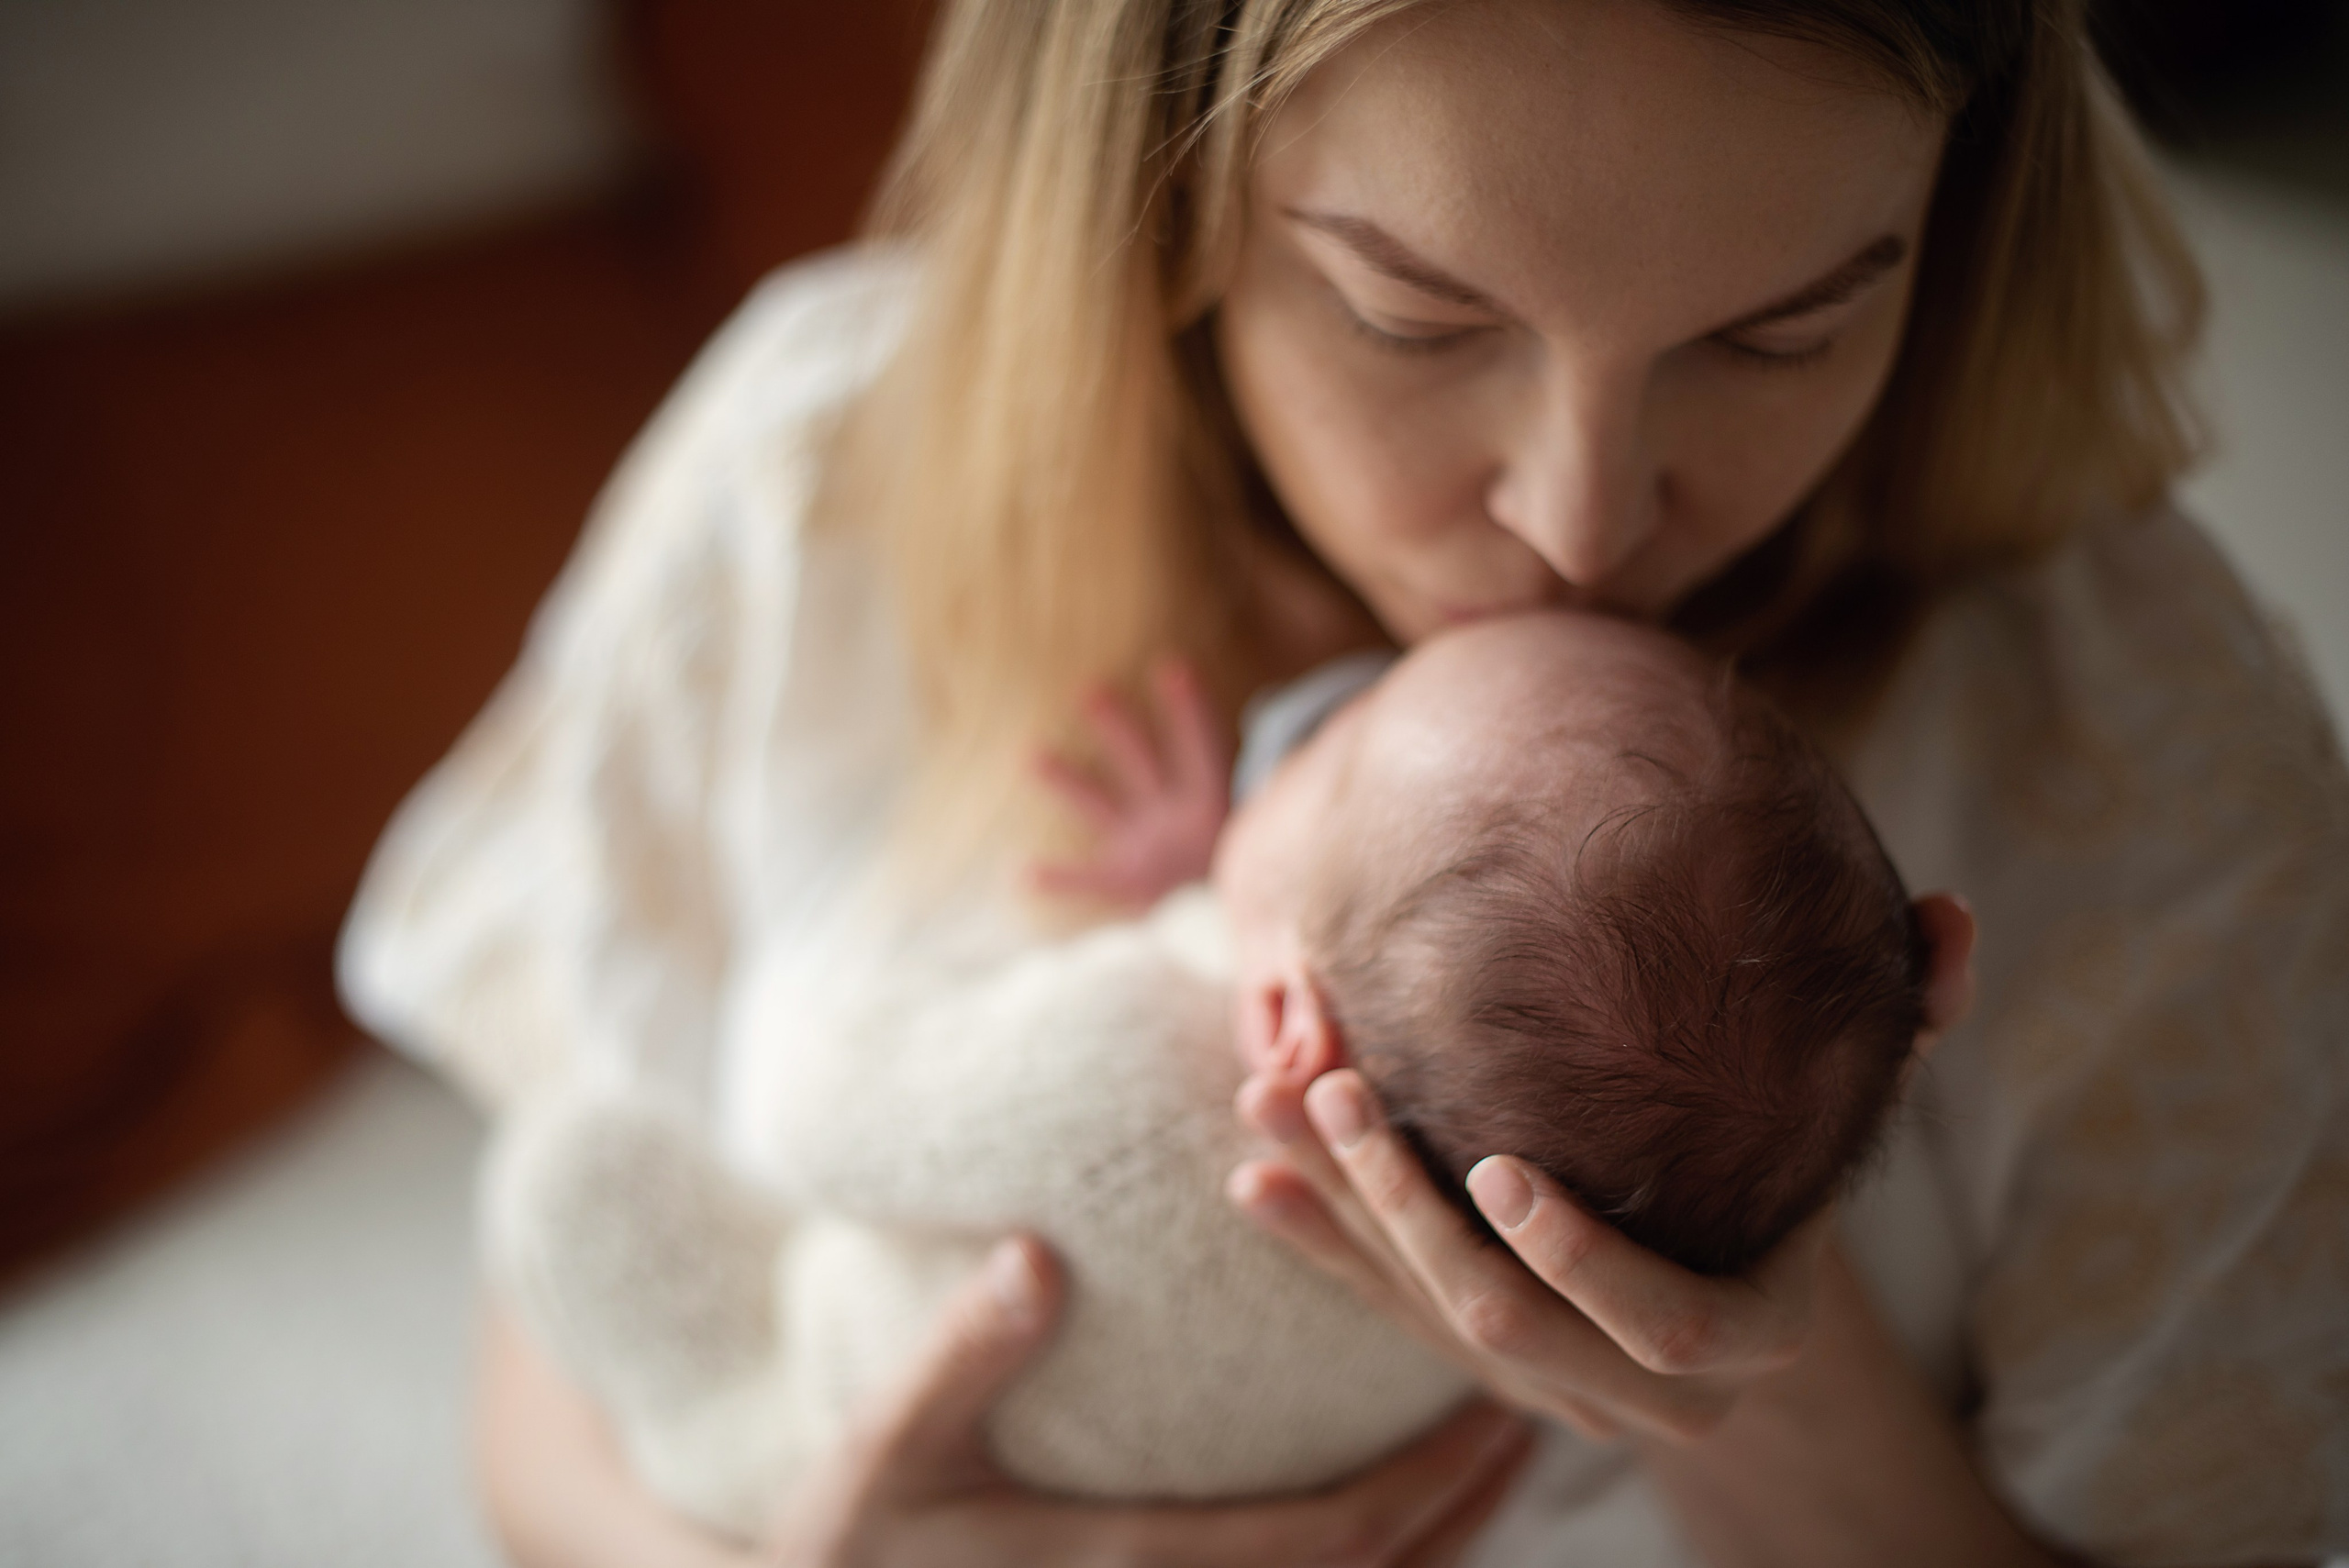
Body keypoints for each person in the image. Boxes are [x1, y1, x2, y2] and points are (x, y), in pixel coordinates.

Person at [340, 0, 2349, 1563]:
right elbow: (547, 1351)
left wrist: (1756, 1378)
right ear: (1163, 180)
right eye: (1416, 313)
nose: (1575, 521)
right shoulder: (818, 487)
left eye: (1773, 335)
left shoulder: (2139, 766)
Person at [475, 610, 1950, 1539]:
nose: (1305, 714)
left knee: (567, 1169)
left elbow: (823, 1106)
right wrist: (1227, 883)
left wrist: (888, 926)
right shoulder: (1486, 1288)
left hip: (809, 1404)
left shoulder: (1126, 1069)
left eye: (1336, 746)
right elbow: (1400, 1006)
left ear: (1289, 1024)